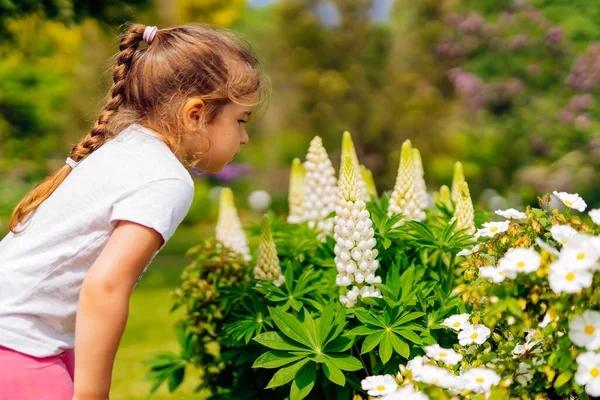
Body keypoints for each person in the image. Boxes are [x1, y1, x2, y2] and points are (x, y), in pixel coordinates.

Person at [0, 22, 266, 400]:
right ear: (195, 114)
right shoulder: (166, 179)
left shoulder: (127, 149)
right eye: (239, 120)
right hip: (17, 347)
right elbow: (104, 287)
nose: (244, 137)